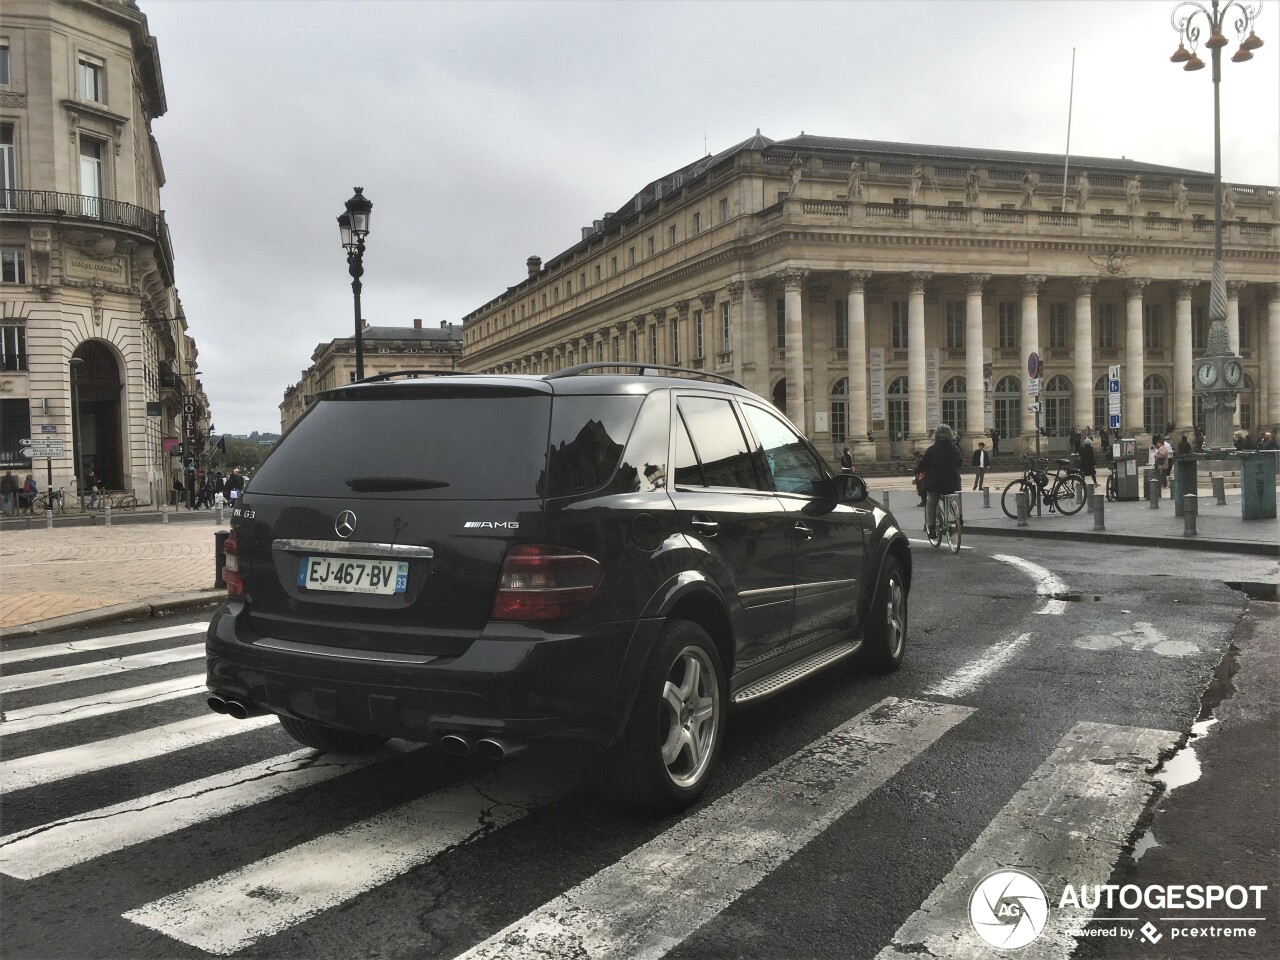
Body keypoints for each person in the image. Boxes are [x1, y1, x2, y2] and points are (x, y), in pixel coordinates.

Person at [915, 424, 963, 539]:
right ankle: (958, 519)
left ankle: (931, 528)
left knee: (931, 503)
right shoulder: (955, 448)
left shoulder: (932, 449)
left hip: (936, 482)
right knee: (953, 500)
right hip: (952, 481)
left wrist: (916, 470)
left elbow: (923, 464)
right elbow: (960, 462)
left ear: (936, 436)